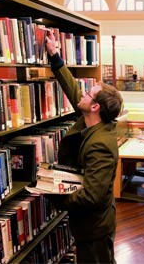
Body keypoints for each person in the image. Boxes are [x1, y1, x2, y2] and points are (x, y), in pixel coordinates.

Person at [44, 30, 123, 264]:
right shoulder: (93, 119)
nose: (83, 95)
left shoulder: (101, 145)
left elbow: (92, 196)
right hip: (90, 225)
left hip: (95, 228)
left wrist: (55, 196)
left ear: (96, 107)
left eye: (88, 94)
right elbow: (74, 91)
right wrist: (55, 57)